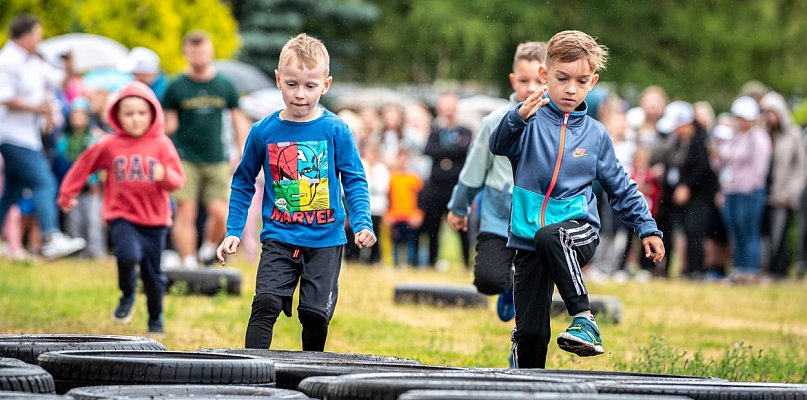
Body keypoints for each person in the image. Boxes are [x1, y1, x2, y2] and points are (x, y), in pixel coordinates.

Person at [489, 30, 665, 368]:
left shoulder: (596, 135)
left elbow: (621, 186)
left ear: (592, 82)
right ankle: (523, 378)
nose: (571, 89)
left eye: (581, 81)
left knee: (551, 234)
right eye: (562, 78)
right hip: (527, 240)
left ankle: (585, 319)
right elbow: (498, 145)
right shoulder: (527, 121)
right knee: (531, 335)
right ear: (545, 76)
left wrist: (647, 227)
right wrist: (516, 118)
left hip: (577, 230)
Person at [216, 33, 376, 351]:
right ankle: (253, 376)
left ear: (325, 85)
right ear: (278, 80)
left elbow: (354, 179)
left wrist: (362, 222)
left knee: (315, 314)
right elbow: (243, 181)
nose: (300, 94)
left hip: (325, 240)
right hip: (279, 236)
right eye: (291, 84)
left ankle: (309, 376)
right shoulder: (263, 131)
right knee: (264, 304)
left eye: (310, 86)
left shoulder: (336, 130)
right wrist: (234, 229)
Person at [58, 81, 186, 334]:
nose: (136, 119)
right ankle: (127, 293)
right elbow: (84, 165)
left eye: (141, 113)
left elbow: (178, 181)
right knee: (127, 256)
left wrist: (164, 175)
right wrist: (67, 194)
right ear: (117, 116)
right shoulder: (109, 144)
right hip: (121, 216)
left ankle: (155, 317)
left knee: (153, 275)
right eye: (129, 114)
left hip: (155, 220)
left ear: (152, 114)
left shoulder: (162, 144)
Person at [447, 41, 547, 322]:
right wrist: (459, 207)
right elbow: (474, 170)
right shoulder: (495, 121)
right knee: (488, 280)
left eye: (538, 80)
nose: (530, 88)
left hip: (538, 221)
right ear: (513, 81)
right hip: (498, 218)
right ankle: (507, 285)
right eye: (524, 80)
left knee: (535, 291)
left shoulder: (555, 124)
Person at [0, 14, 86, 260]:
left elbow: (59, 82)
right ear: (26, 35)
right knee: (44, 182)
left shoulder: (34, 62)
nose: (40, 39)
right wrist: (39, 108)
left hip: (29, 136)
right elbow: (4, 97)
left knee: (12, 193)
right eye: (37, 34)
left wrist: (69, 65)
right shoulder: (7, 61)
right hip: (12, 136)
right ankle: (51, 236)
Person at [163, 30, 249, 269]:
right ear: (186, 53)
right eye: (194, 52)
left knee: (221, 212)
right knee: (185, 211)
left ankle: (208, 249)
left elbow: (238, 120)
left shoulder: (224, 85)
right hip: (185, 158)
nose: (199, 57)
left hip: (217, 157)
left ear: (210, 52)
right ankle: (188, 262)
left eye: (203, 51)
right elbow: (169, 124)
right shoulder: (176, 86)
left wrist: (241, 150)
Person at [656, 101, 722, 280]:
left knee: (695, 231)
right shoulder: (677, 142)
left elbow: (703, 168)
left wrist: (687, 186)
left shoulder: (702, 140)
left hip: (700, 196)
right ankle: (675, 269)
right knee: (679, 231)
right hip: (678, 195)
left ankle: (696, 270)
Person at [714, 96, 771, 284]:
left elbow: (760, 168)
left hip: (750, 192)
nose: (741, 121)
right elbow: (724, 162)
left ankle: (750, 270)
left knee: (749, 232)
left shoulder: (759, 137)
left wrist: (749, 187)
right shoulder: (736, 137)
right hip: (732, 191)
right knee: (736, 231)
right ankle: (739, 269)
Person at [420, 92, 473, 269]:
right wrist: (452, 151)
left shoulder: (465, 130)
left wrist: (444, 151)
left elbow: (464, 149)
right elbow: (429, 150)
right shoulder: (435, 131)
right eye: (445, 106)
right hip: (435, 188)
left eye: (451, 106)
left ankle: (466, 262)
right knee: (433, 228)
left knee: (461, 227)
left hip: (456, 188)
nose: (448, 110)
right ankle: (431, 262)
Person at [759, 91, 805, 280]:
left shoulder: (792, 134)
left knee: (780, 234)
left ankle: (779, 271)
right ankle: (765, 267)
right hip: (764, 192)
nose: (769, 117)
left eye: (772, 112)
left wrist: (791, 192)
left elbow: (801, 166)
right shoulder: (764, 134)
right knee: (765, 235)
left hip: (783, 194)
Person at [53, 97, 106, 259]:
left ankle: (96, 251)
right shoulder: (63, 141)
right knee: (73, 220)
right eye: (74, 115)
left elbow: (97, 164)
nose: (77, 119)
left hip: (91, 187)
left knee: (93, 220)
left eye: (81, 115)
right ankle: (75, 253)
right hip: (72, 188)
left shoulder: (94, 138)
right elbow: (62, 165)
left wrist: (96, 182)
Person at [386, 148, 424, 267]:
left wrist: (419, 215)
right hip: (395, 216)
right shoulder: (391, 179)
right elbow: (386, 198)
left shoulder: (414, 179)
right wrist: (387, 215)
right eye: (400, 159)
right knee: (395, 243)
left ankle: (410, 265)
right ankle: (396, 265)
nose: (402, 162)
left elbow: (422, 199)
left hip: (410, 216)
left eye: (404, 159)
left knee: (411, 243)